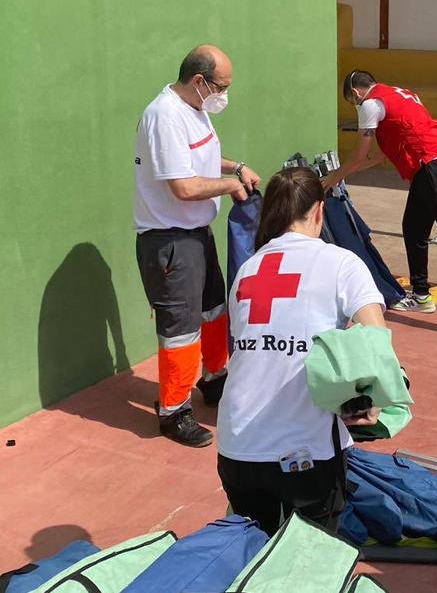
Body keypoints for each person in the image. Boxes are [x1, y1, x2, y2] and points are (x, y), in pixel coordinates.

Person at [216, 167, 387, 535]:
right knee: (309, 564)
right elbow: (376, 340)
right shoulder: (341, 263)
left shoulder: (247, 270)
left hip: (237, 448)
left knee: (252, 553)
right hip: (305, 457)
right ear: (320, 211)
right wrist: (368, 401)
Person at [323, 70, 437, 343]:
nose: (355, 106)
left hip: (430, 164)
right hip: (435, 161)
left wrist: (332, 178)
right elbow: (377, 157)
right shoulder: (401, 94)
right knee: (413, 228)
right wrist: (346, 172)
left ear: (355, 93)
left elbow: (360, 155)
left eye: (352, 102)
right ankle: (421, 295)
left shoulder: (370, 104)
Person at [133, 44, 261, 447]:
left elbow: (201, 160)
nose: (224, 94)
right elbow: (184, 185)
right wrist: (230, 186)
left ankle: (214, 379)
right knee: (180, 330)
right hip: (170, 241)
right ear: (199, 81)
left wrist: (236, 166)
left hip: (197, 234)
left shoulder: (195, 109)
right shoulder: (164, 116)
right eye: (221, 86)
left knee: (212, 312)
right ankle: (173, 411)